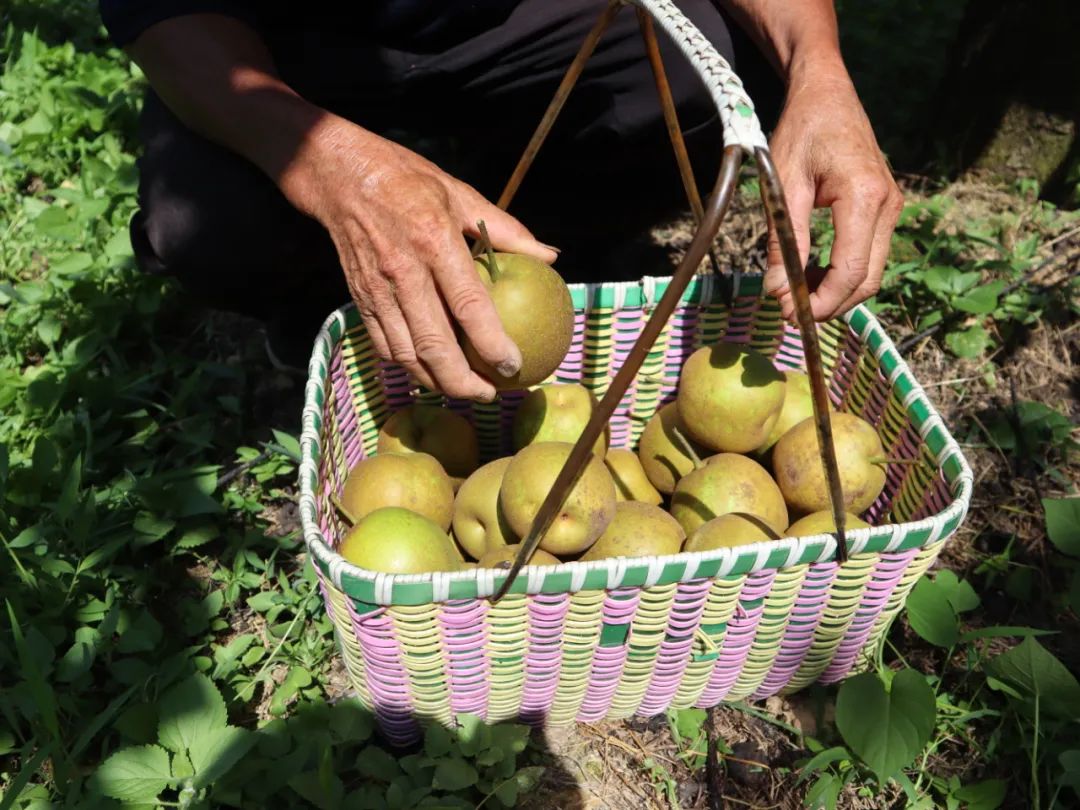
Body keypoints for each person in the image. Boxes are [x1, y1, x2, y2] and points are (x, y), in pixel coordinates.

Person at [100, 1, 902, 401]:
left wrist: (820, 69)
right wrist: (334, 171)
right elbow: (167, 13)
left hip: (522, 19)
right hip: (286, 40)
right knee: (207, 221)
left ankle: (561, 247)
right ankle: (319, 309)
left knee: (726, 71)